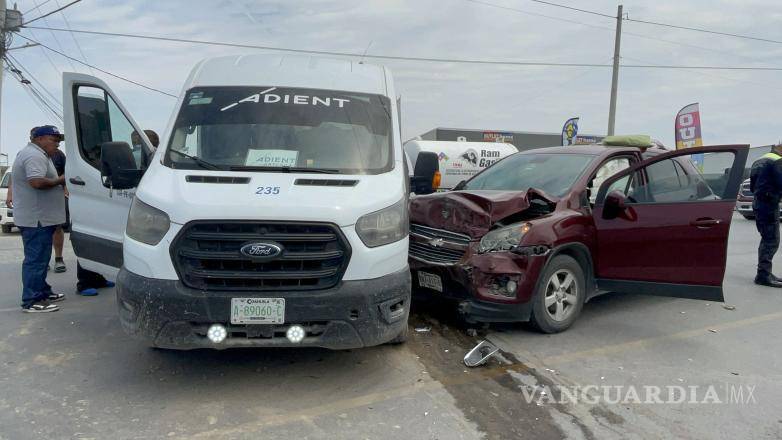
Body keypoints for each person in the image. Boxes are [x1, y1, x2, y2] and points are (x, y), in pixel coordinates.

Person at [12, 125, 67, 312]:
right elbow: (36, 182)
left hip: (41, 218)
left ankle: (42, 291)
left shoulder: (39, 154)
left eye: (59, 140)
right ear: (39, 139)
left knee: (42, 258)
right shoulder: (34, 155)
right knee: (35, 260)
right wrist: (60, 180)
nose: (58, 143)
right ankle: (32, 300)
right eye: (54, 139)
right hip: (36, 219)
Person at [749, 141, 782, 288]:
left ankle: (765, 272)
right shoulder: (777, 162)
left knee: (767, 238)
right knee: (771, 240)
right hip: (768, 204)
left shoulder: (758, 161)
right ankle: (762, 275)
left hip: (758, 203)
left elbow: (752, 186)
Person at [49, 144, 69, 273]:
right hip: (36, 200)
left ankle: (58, 259)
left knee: (57, 227)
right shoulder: (28, 155)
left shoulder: (59, 154)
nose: (56, 143)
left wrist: (66, 190)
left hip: (56, 197)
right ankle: (43, 260)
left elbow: (68, 172)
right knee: (39, 230)